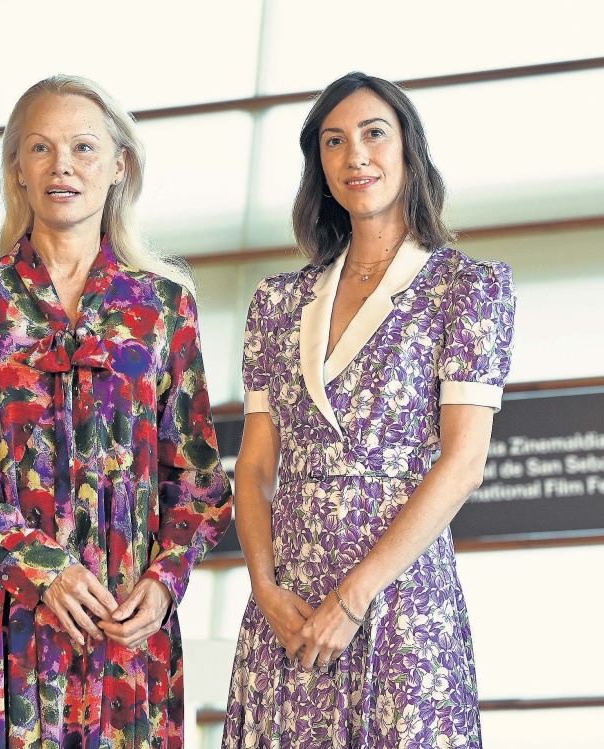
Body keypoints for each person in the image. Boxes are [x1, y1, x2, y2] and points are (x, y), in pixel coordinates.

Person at [0, 75, 233, 749]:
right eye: (41, 148)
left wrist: (165, 582)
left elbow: (199, 479)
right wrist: (41, 567)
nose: (63, 166)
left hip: (123, 627)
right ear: (17, 170)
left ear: (119, 166)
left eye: (84, 147)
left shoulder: (163, 306)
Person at [223, 72, 516, 748]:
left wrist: (353, 600)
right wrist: (265, 588)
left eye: (373, 133)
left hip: (401, 605)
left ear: (409, 149)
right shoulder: (276, 303)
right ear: (320, 167)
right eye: (333, 141)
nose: (354, 154)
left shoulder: (467, 288)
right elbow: (255, 469)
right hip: (290, 614)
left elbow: (463, 464)